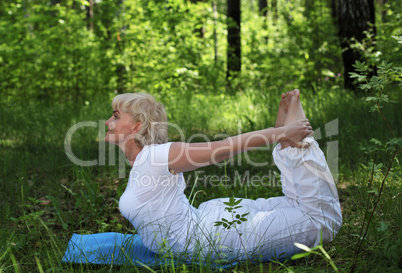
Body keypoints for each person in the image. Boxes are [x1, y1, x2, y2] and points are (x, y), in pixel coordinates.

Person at [104, 89, 342, 262]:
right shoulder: (143, 160)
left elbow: (221, 149)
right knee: (297, 206)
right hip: (210, 221)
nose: (108, 121)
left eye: (115, 116)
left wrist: (279, 132)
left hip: (213, 236)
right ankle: (290, 141)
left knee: (321, 222)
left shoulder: (155, 156)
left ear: (136, 127)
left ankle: (296, 138)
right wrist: (280, 132)